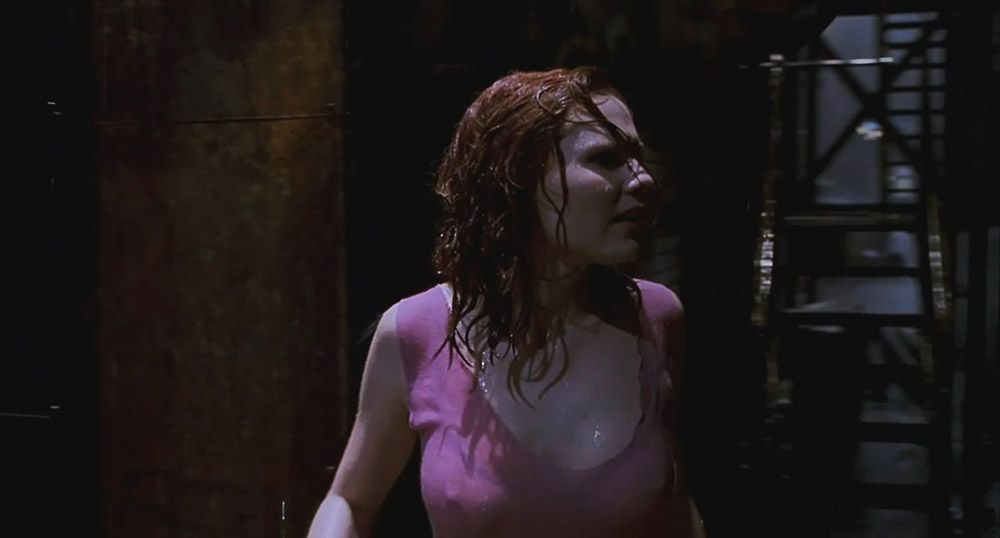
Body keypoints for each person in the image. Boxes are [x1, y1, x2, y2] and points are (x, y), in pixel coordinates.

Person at [307, 67, 705, 538]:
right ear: (518, 176)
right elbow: (349, 500)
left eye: (638, 157)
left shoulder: (655, 317)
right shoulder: (417, 330)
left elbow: (673, 503)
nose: (643, 181)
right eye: (605, 158)